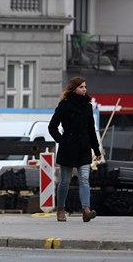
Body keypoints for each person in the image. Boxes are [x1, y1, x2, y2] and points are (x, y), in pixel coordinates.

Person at [48, 76, 102, 223]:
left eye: (85, 86)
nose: (84, 89)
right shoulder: (64, 105)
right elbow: (52, 127)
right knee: (65, 181)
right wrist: (62, 141)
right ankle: (61, 209)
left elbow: (91, 130)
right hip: (68, 148)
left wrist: (97, 151)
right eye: (81, 87)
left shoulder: (88, 106)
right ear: (74, 89)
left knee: (84, 178)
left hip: (84, 147)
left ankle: (86, 210)